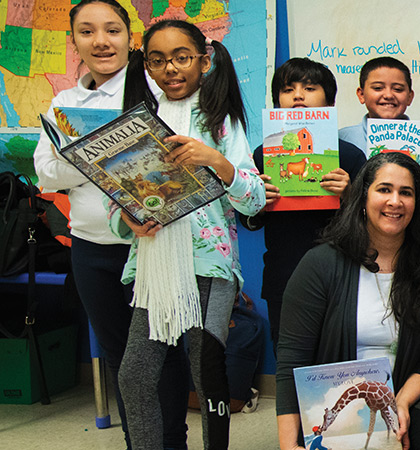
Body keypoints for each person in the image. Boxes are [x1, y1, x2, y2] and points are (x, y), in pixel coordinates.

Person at [32, 1, 191, 448]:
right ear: (74, 41)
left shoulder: (155, 92)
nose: (101, 41)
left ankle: (171, 442)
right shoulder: (65, 101)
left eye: (112, 30)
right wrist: (115, 156)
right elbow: (46, 173)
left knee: (163, 354)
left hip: (150, 247)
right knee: (121, 359)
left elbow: (169, 168)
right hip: (89, 249)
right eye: (87, 32)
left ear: (129, 37)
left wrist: (82, 155)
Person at [111, 19, 266, 450]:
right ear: (146, 65)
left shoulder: (220, 120)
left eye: (181, 58)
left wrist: (215, 160)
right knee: (135, 375)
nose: (171, 70)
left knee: (208, 370)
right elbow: (116, 204)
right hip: (153, 268)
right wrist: (129, 222)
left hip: (208, 267)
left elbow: (253, 200)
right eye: (157, 61)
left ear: (204, 60)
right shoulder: (138, 121)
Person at [275, 152, 420, 450]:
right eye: (384, 189)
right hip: (338, 407)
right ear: (362, 197)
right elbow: (291, 363)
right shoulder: (320, 264)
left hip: (405, 397)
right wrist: (288, 445)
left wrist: (400, 402)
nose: (395, 201)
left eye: (406, 193)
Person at [240, 57, 367, 346]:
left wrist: (349, 196)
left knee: (337, 357)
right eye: (288, 89)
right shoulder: (261, 156)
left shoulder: (349, 157)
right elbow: (249, 222)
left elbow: (370, 221)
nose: (298, 95)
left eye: (309, 88)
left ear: (329, 103)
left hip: (340, 274)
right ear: (277, 104)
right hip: (283, 274)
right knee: (288, 354)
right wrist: (256, 201)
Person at [338, 56, 420, 207]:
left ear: (410, 97)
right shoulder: (343, 140)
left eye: (398, 89)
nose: (388, 95)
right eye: (378, 88)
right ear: (361, 95)